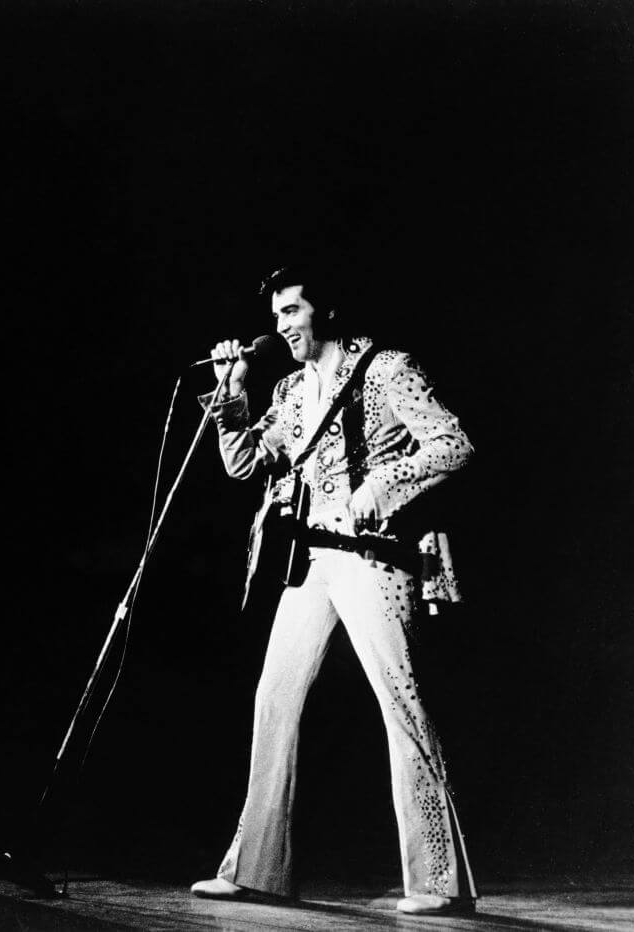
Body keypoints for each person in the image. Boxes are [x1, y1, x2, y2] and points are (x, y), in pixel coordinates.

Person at [189, 266, 478, 916]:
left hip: (376, 559)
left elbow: (453, 443)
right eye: (277, 315)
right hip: (312, 559)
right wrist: (229, 395)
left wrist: (379, 488)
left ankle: (440, 883)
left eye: (293, 310)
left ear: (327, 310)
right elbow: (244, 464)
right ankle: (257, 869)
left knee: (402, 705)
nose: (282, 325)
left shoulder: (387, 367)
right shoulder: (292, 389)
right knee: (274, 697)